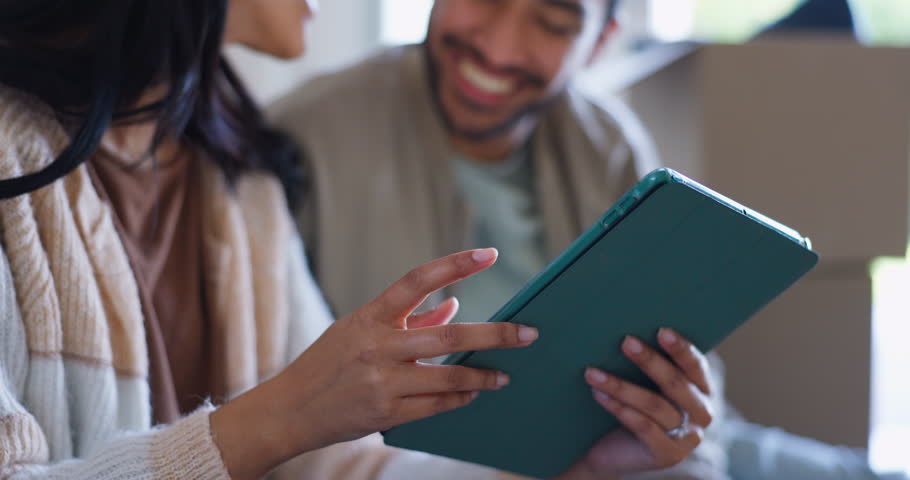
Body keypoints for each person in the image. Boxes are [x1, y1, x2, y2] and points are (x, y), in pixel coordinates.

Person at [0, 1, 715, 479]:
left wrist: (577, 468)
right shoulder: (16, 166)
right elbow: (302, 431)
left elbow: (345, 467)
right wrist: (283, 415)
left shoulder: (236, 179)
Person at [271, 0, 898, 479]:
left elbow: (688, 355)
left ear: (598, 43)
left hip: (640, 452)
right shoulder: (305, 137)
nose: (499, 47)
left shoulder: (608, 143)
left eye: (551, 22)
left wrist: (685, 430)